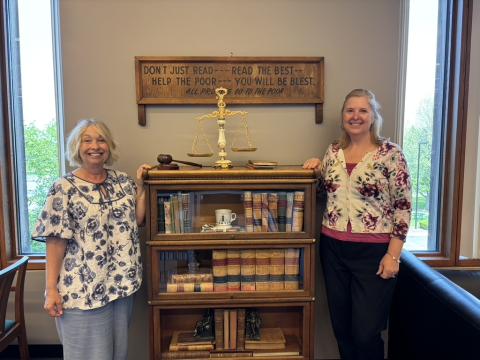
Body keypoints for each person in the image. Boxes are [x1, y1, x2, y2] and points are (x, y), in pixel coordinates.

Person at [303, 89, 412, 360]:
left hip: (374, 254)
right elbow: (323, 196)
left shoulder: (390, 155)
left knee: (366, 332)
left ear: (373, 116)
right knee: (342, 329)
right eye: (350, 110)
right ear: (343, 117)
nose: (356, 116)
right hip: (333, 249)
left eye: (363, 110)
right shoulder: (333, 152)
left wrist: (393, 255)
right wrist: (315, 172)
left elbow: (403, 207)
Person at [32, 119, 152, 360]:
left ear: (109, 146)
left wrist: (141, 187)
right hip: (82, 289)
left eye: (101, 140)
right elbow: (56, 241)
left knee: (117, 353)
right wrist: (50, 289)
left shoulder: (122, 182)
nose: (95, 146)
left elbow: (138, 220)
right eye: (87, 140)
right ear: (77, 147)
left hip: (121, 287)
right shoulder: (63, 188)